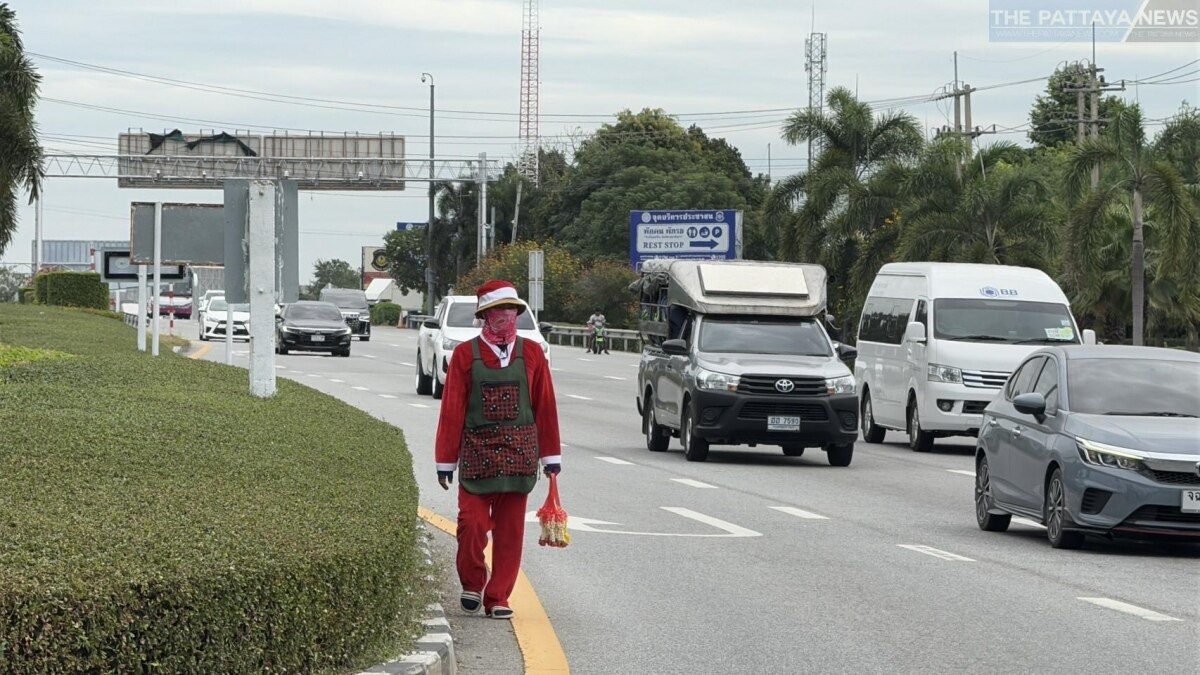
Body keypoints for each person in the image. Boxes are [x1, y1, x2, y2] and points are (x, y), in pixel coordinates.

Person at [434, 280, 562, 620]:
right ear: (486, 316)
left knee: (510, 531)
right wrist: (445, 461)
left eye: (513, 310)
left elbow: (545, 406)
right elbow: (452, 410)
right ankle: (472, 583)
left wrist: (550, 458)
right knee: (471, 524)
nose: (508, 316)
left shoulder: (533, 352)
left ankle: (498, 596)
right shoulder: (464, 354)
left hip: (519, 458)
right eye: (500, 311)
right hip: (478, 457)